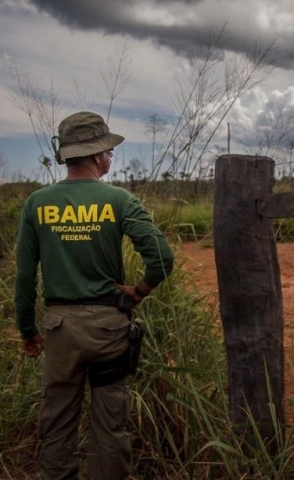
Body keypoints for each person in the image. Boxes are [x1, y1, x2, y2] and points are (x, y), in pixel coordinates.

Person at [14, 111, 175, 480]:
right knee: (110, 424)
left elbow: (24, 277)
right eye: (109, 152)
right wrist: (139, 290)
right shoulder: (119, 200)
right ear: (98, 155)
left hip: (60, 331)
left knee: (57, 422)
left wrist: (27, 331)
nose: (111, 158)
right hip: (108, 329)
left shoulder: (37, 203)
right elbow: (162, 258)